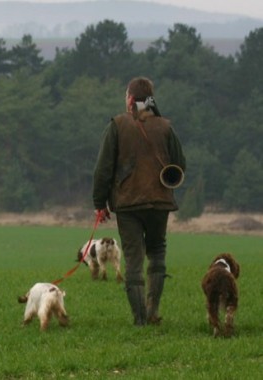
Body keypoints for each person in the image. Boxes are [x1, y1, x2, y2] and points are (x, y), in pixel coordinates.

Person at [92, 77, 186, 326]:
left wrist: (99, 203)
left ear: (131, 99)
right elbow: (180, 165)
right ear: (150, 100)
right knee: (157, 252)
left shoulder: (117, 125)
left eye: (126, 96)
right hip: (160, 202)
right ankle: (153, 311)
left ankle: (140, 320)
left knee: (134, 258)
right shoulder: (165, 126)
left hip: (128, 203)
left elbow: (103, 169)